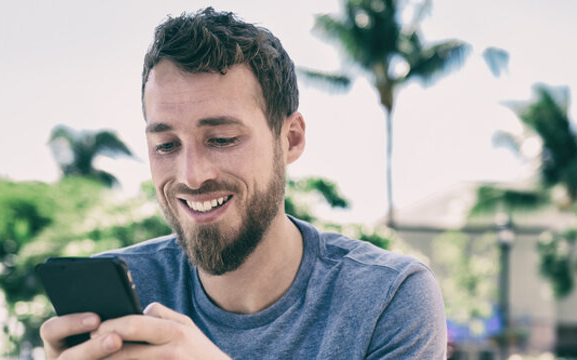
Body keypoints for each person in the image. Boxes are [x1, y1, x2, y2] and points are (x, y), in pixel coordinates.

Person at [39, 7, 446, 359]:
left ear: (291, 139)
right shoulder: (129, 289)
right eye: (166, 145)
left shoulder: (386, 298)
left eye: (222, 139)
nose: (191, 175)